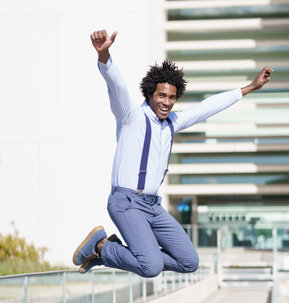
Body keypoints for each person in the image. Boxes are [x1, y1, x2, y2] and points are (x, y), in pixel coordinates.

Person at [73, 29, 273, 277]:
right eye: (161, 95)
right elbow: (118, 87)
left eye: (172, 97)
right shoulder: (131, 117)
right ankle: (102, 248)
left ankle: (117, 252)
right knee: (151, 267)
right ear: (150, 94)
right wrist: (105, 56)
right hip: (126, 203)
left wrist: (249, 88)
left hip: (152, 205)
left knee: (189, 261)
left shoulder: (172, 123)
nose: (167, 102)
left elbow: (206, 108)